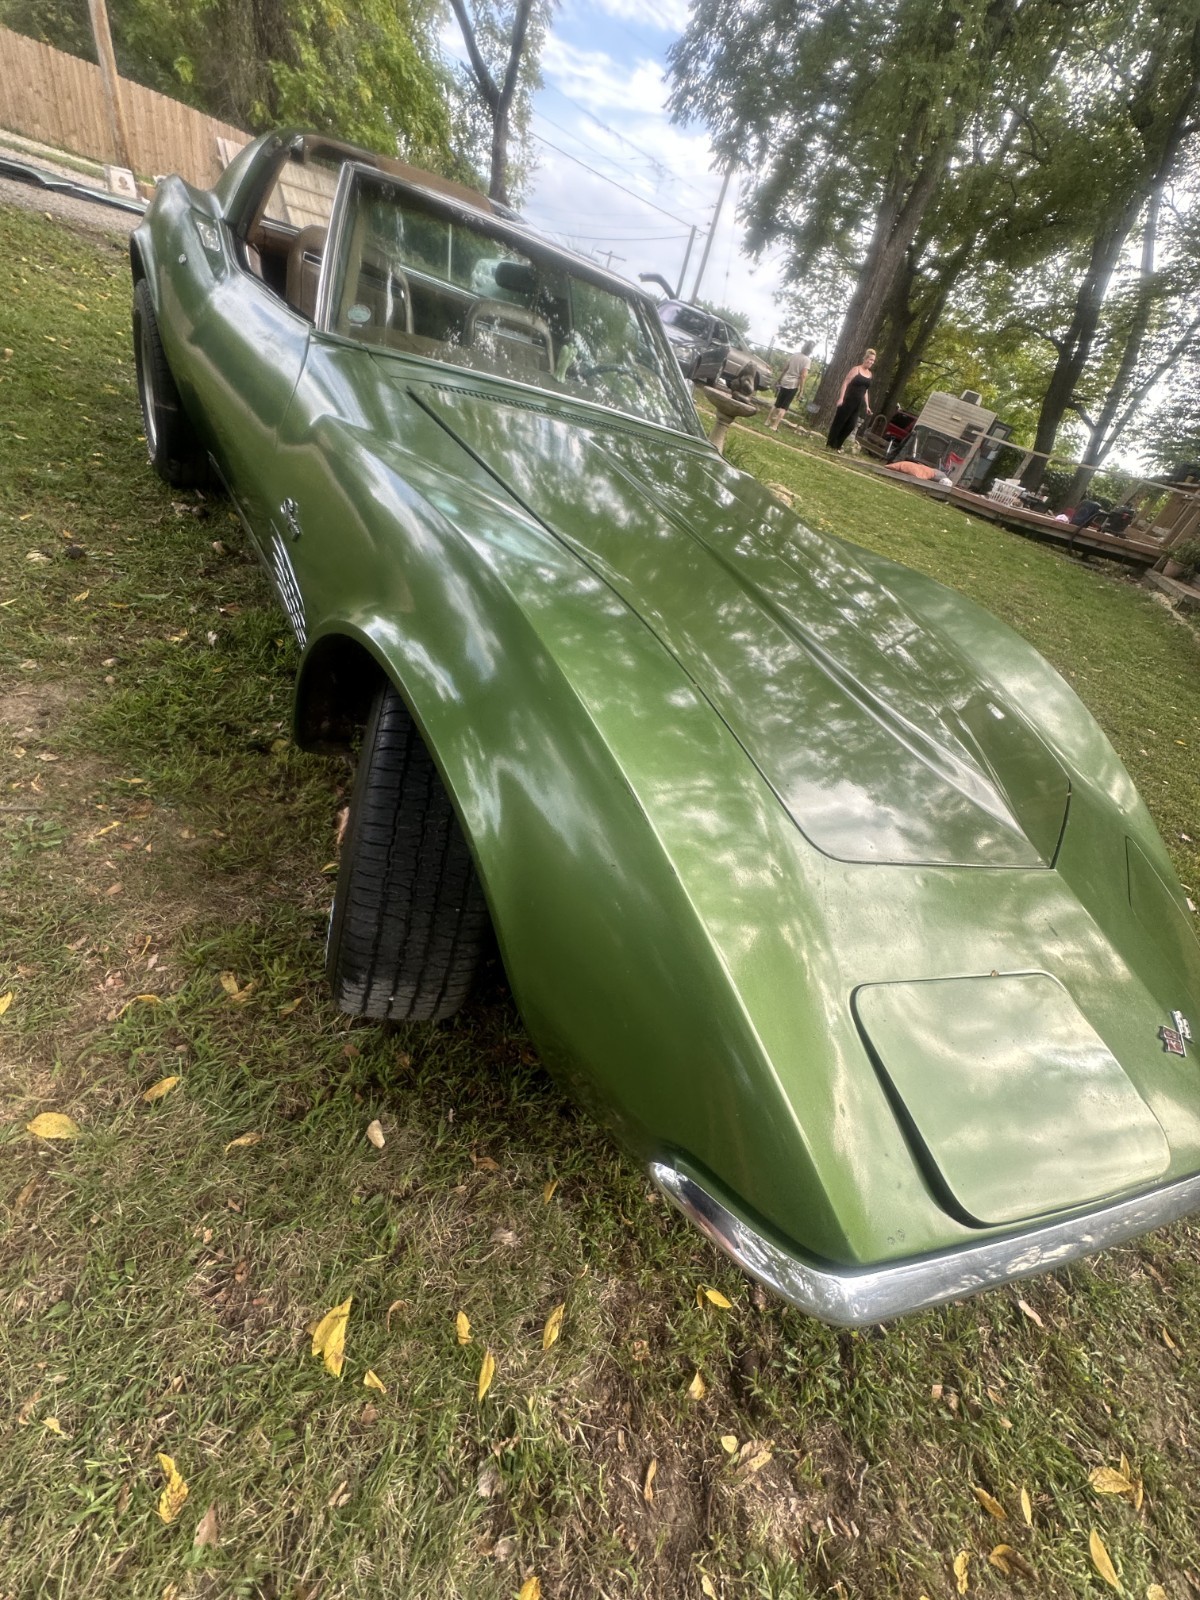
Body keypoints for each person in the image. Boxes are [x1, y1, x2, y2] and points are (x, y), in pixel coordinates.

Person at [826, 348, 876, 451]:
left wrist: (867, 406)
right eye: (870, 359)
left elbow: (865, 391)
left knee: (851, 425)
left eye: (873, 360)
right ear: (865, 359)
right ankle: (831, 444)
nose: (871, 362)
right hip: (848, 400)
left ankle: (838, 444)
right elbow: (845, 382)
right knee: (839, 422)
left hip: (858, 404)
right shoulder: (856, 369)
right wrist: (841, 398)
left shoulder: (870, 374)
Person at [766, 340, 815, 431]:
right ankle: (774, 426)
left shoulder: (794, 355)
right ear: (811, 350)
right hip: (793, 384)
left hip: (785, 381)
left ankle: (767, 421)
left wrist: (779, 379)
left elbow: (785, 368)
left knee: (777, 403)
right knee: (784, 407)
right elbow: (803, 376)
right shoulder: (807, 360)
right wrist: (801, 390)